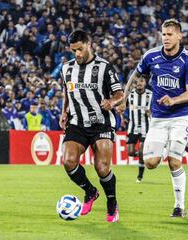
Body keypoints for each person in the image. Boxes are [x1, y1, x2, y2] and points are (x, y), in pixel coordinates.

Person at [120, 19, 188, 217]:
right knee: (151, 163)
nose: (166, 38)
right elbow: (135, 76)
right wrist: (124, 97)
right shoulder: (151, 56)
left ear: (179, 36)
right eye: (163, 34)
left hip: (181, 116)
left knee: (173, 161)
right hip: (158, 119)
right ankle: (171, 143)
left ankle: (179, 207)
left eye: (170, 34)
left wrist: (173, 100)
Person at [60, 30, 123, 222]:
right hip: (77, 123)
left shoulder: (104, 67)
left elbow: (120, 94)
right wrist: (64, 111)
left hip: (101, 123)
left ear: (88, 44)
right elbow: (67, 92)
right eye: (73, 51)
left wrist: (111, 103)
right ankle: (90, 191)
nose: (77, 54)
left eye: (80, 49)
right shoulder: (66, 69)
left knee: (102, 167)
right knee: (68, 162)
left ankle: (112, 203)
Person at [125, 77, 152, 182]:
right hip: (132, 127)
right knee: (130, 152)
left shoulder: (151, 95)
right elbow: (122, 106)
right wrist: (122, 115)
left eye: (141, 81)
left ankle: (140, 176)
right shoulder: (130, 95)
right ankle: (144, 157)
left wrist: (151, 113)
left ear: (145, 83)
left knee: (141, 150)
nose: (139, 83)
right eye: (136, 82)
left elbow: (157, 109)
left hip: (146, 128)